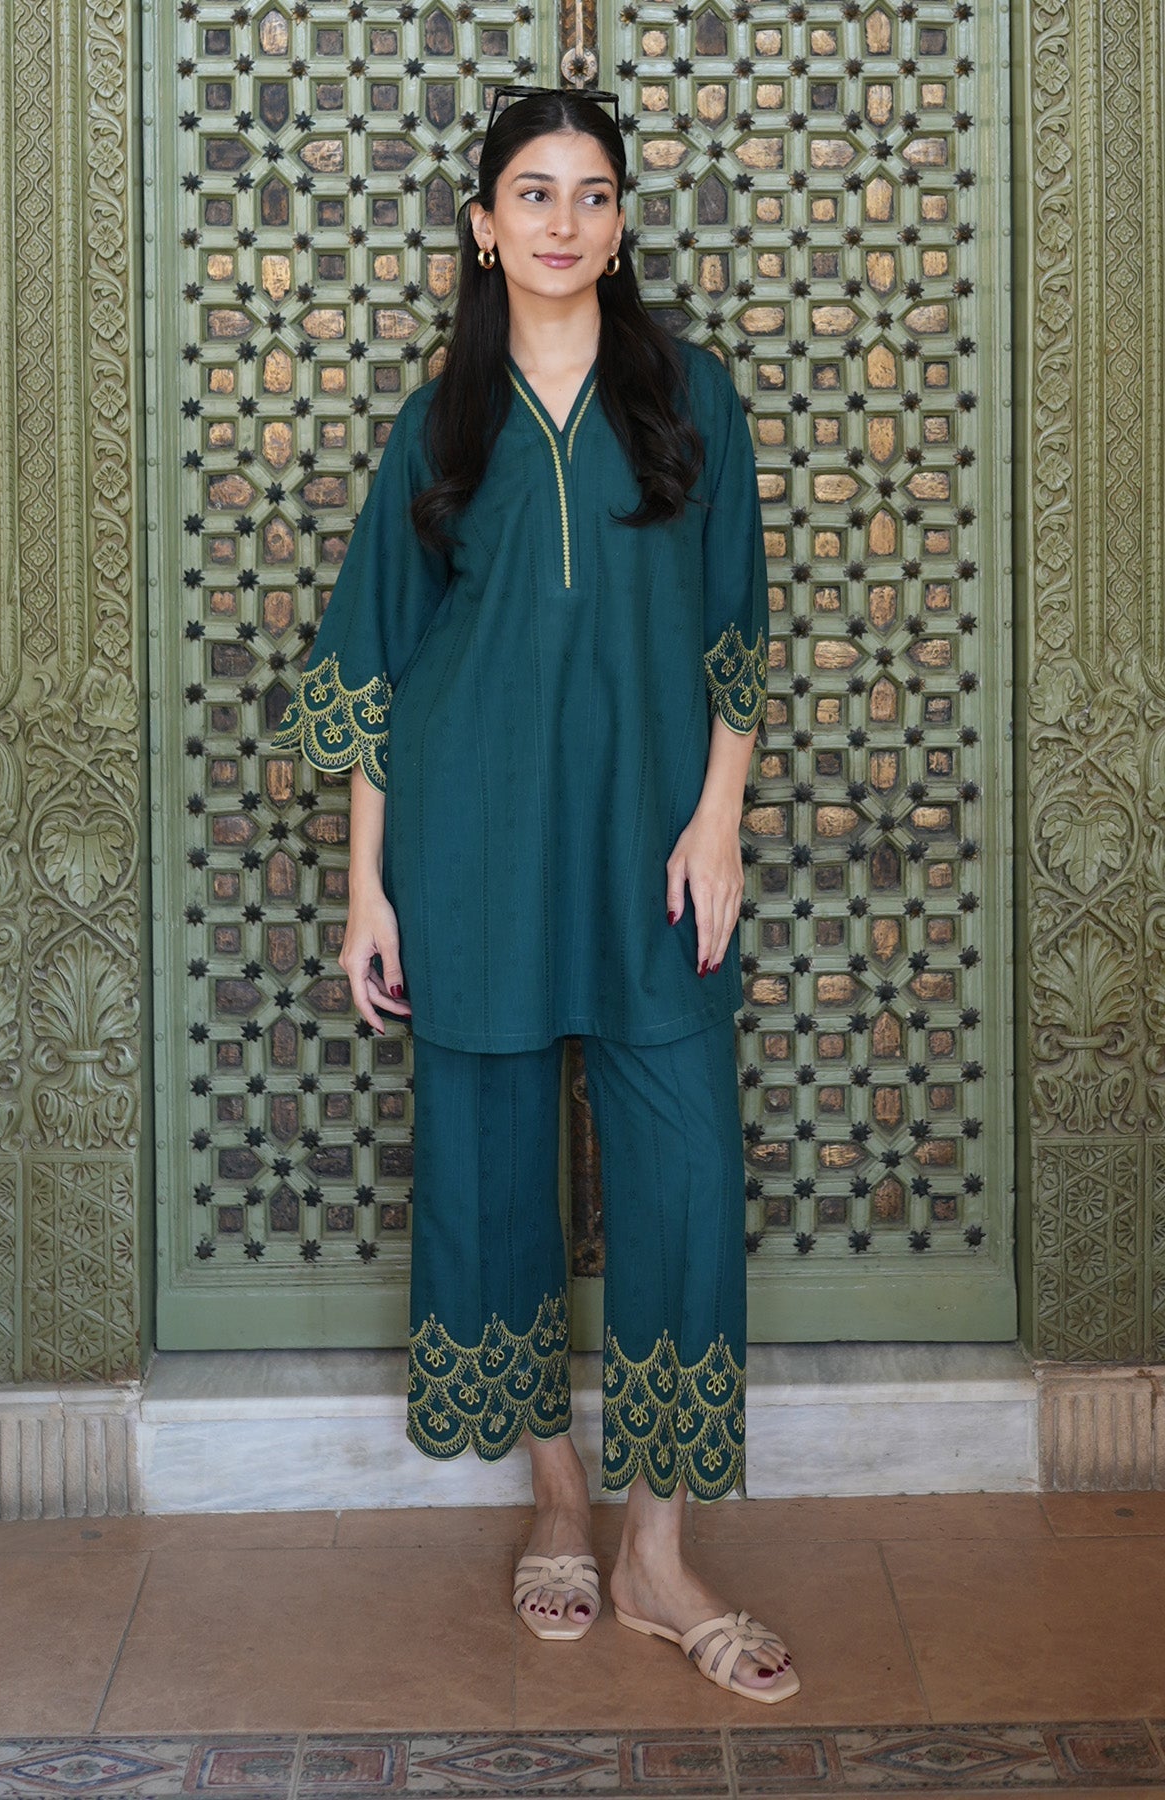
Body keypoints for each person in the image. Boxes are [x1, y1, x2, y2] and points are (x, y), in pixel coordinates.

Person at [273, 86, 798, 1706]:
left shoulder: (692, 401)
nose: (564, 220)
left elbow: (736, 632)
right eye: (533, 192)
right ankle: (558, 1501)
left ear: (620, 225)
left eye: (592, 193)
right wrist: (368, 891)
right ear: (484, 225)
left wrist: (718, 824)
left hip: (652, 855)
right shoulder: (439, 423)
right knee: (494, 1187)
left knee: (683, 1186)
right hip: (476, 848)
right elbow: (381, 664)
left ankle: (659, 1555)